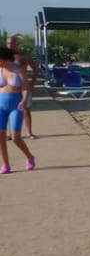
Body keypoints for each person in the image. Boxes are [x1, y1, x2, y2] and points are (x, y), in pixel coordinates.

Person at [0, 46, 36, 174]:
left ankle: (30, 157)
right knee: (1, 136)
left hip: (16, 105)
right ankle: (6, 165)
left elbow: (25, 87)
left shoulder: (18, 69)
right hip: (0, 106)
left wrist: (24, 100)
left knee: (15, 137)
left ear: (5, 59)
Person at [6, 35, 38, 140]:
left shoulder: (24, 56)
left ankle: (29, 132)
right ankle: (10, 134)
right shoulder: (4, 57)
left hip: (24, 87)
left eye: (11, 43)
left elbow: (35, 69)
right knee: (9, 110)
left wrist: (32, 83)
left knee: (26, 110)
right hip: (9, 88)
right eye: (8, 43)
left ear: (16, 44)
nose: (9, 45)